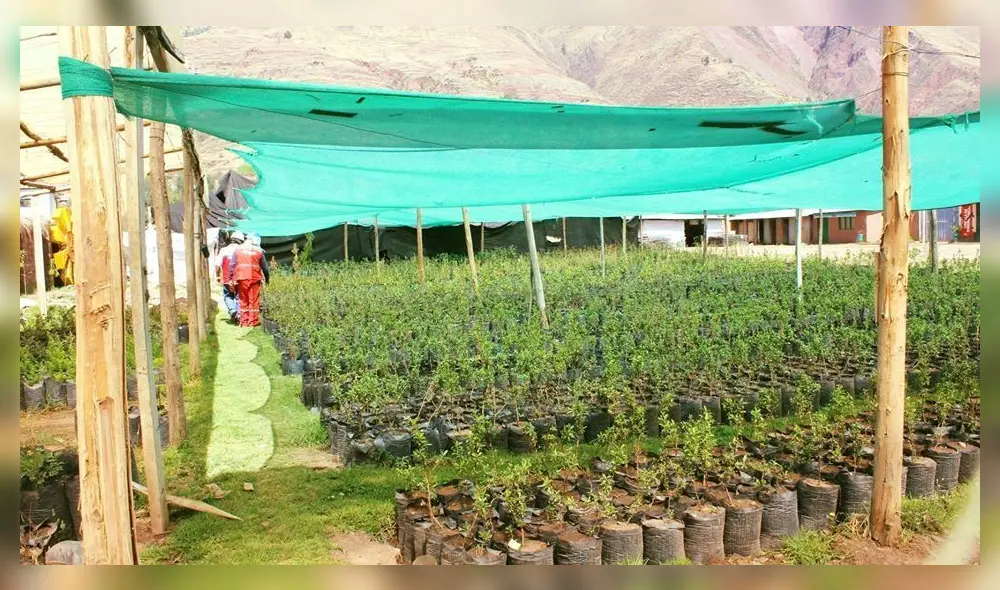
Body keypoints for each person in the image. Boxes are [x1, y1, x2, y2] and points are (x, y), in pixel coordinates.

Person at [232, 233, 269, 327]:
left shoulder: (238, 250)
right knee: (253, 300)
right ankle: (252, 321)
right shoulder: (259, 251)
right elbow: (265, 268)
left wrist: (231, 279)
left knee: (243, 299)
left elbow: (232, 265)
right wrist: (267, 279)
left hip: (241, 278)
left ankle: (244, 321)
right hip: (254, 278)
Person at [217, 231, 244, 322]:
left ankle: (232, 310)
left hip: (226, 278)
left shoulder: (223, 250)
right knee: (239, 296)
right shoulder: (242, 250)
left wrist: (218, 276)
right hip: (239, 278)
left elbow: (218, 264)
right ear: (241, 241)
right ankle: (239, 315)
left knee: (227, 295)